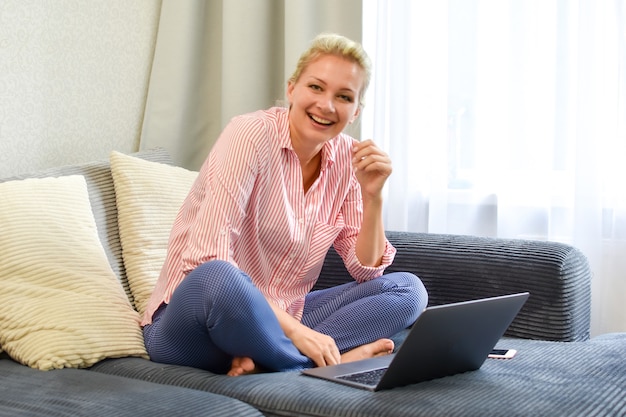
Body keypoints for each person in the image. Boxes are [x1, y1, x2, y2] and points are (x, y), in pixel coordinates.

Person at [141, 33, 428, 376]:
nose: (327, 105)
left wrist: (373, 196)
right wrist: (300, 333)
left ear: (355, 111)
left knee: (409, 291)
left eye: (344, 96)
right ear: (292, 89)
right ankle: (315, 362)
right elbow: (207, 258)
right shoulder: (250, 134)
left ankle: (273, 360)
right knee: (220, 277)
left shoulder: (347, 160)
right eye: (316, 87)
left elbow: (365, 269)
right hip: (193, 321)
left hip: (279, 319)